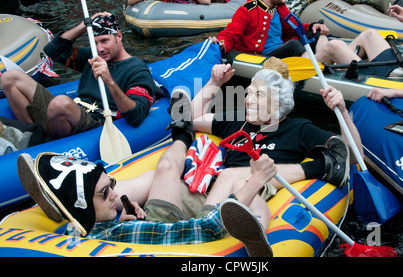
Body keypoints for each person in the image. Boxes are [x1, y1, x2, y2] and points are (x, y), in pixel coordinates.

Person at [17, 89, 276, 256]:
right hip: (183, 239)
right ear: (81, 209)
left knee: (164, 170)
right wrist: (257, 180)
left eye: (111, 186)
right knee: (239, 183)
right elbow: (204, 229)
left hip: (146, 225)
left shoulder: (75, 232)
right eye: (104, 192)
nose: (114, 195)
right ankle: (183, 135)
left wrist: (120, 220)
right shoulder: (121, 234)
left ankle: (182, 134)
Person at [190, 57, 363, 206]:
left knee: (232, 178)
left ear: (278, 101)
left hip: (253, 198)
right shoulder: (237, 120)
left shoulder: (299, 129)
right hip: (213, 189)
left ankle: (206, 225)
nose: (248, 100)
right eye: (248, 93)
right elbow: (194, 118)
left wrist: (343, 111)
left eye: (258, 95)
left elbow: (352, 156)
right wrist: (215, 82)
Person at [0, 12, 155, 139]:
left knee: (60, 103)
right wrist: (84, 25)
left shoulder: (137, 70)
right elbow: (53, 51)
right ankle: (33, 135)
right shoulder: (91, 56)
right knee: (10, 77)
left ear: (119, 36)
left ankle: (48, 143)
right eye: (95, 43)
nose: (99, 49)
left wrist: (109, 81)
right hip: (73, 113)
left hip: (95, 122)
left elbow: (136, 115)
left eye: (104, 41)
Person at [315, 5, 403, 78]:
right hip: (399, 66)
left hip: (393, 77)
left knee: (334, 45)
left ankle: (300, 71)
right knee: (370, 34)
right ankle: (336, 64)